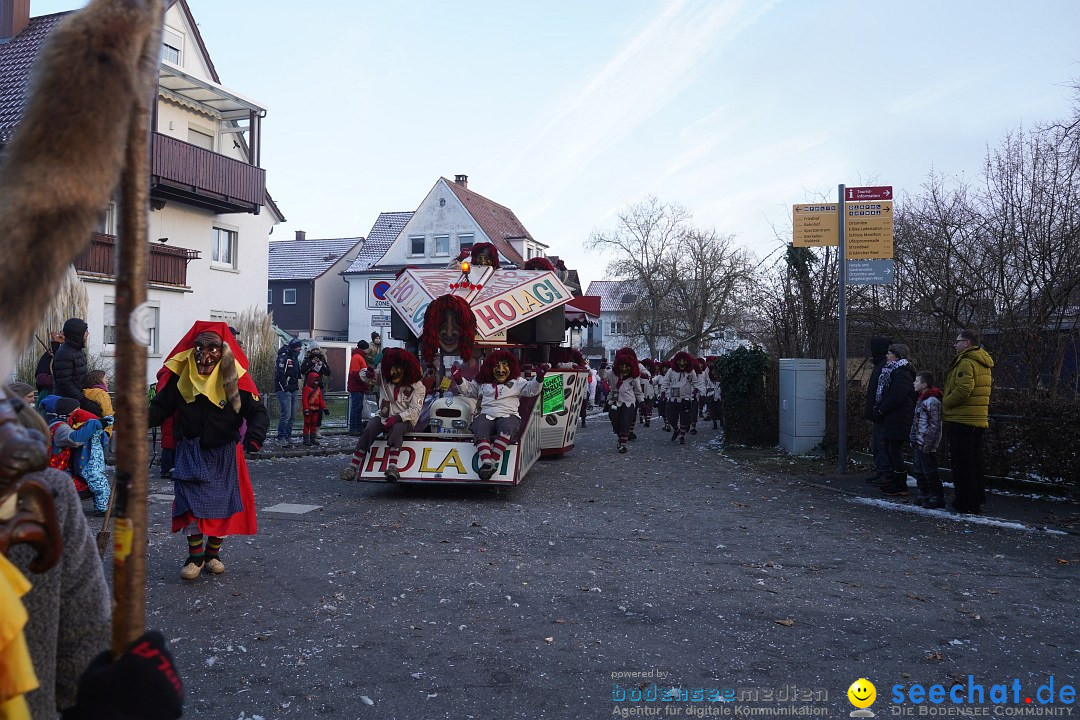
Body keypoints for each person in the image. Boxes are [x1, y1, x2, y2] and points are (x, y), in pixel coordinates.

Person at [148, 321, 269, 581]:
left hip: (223, 452)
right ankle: (195, 557)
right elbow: (160, 407)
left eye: (213, 347)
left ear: (223, 351)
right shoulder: (183, 378)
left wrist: (255, 437)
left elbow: (256, 411)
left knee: (220, 507)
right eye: (200, 347)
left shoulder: (233, 379)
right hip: (190, 449)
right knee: (189, 504)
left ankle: (212, 554)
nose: (205, 353)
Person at [452, 350, 544, 479]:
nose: (501, 370)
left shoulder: (517, 381)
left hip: (508, 414)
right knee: (479, 427)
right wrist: (459, 379)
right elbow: (470, 391)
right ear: (490, 366)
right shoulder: (482, 381)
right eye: (497, 365)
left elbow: (531, 390)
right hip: (487, 414)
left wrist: (539, 378)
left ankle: (491, 463)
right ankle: (487, 462)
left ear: (511, 366)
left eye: (504, 365)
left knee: (507, 428)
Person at [341, 348, 425, 482]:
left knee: (397, 430)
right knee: (370, 427)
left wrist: (397, 418)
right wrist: (367, 373)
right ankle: (352, 467)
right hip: (384, 416)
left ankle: (392, 467)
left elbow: (415, 410)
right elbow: (367, 376)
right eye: (391, 369)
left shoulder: (418, 386)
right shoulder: (384, 377)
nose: (393, 373)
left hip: (405, 420)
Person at [943, 328, 994, 514]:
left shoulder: (966, 362)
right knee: (975, 462)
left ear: (966, 343)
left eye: (957, 341)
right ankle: (977, 498)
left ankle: (965, 502)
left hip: (962, 418)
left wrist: (946, 403)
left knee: (962, 463)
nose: (954, 344)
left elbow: (964, 389)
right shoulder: (983, 361)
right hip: (977, 418)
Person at [872, 343, 917, 497]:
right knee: (891, 449)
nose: (887, 356)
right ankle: (895, 482)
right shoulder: (894, 371)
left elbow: (897, 396)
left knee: (894, 450)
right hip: (893, 416)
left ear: (897, 356)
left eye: (889, 353)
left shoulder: (902, 372)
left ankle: (900, 484)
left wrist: (882, 409)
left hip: (898, 417)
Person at [51, 318, 103, 417]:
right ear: (78, 334)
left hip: (78, 401)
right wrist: (84, 401)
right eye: (85, 331)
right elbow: (65, 383)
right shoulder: (65, 353)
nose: (88, 334)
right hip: (68, 406)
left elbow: (80, 378)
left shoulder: (78, 351)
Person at [910, 370, 944, 508]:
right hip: (919, 441)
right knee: (919, 468)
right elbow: (916, 422)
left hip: (926, 442)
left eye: (917, 381)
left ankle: (936, 496)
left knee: (929, 469)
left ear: (924, 384)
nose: (914, 383)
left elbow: (934, 425)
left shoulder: (932, 401)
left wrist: (928, 443)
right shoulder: (921, 399)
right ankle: (923, 493)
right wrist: (913, 437)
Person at [67, 405, 110, 514]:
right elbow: (105, 440)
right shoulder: (93, 426)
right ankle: (101, 509)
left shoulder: (79, 431)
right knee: (101, 486)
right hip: (92, 464)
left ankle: (100, 507)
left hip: (84, 463)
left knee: (97, 485)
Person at [863, 336, 893, 485]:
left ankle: (884, 472)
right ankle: (881, 471)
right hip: (878, 412)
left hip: (880, 413)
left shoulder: (883, 366)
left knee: (882, 444)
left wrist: (879, 410)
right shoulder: (881, 365)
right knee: (878, 444)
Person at [604, 350, 643, 453]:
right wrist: (602, 367)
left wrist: (642, 402)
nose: (624, 369)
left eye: (627, 366)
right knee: (615, 422)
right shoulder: (612, 374)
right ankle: (620, 437)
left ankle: (623, 444)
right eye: (622, 366)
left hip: (628, 402)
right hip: (614, 402)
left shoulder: (634, 377)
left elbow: (638, 391)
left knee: (626, 422)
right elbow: (602, 377)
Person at [661, 352, 702, 445]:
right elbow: (666, 382)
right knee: (670, 416)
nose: (682, 363)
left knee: (685, 418)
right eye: (680, 360)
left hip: (686, 397)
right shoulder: (671, 371)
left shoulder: (691, 371)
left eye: (684, 361)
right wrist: (663, 392)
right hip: (673, 397)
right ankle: (676, 429)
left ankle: (682, 436)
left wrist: (695, 390)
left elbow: (695, 382)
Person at [273, 339, 302, 446]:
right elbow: (279, 375)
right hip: (284, 390)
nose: (300, 349)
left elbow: (296, 374)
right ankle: (281, 437)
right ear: (294, 347)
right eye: (298, 347)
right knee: (286, 414)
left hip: (293, 389)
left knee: (292, 415)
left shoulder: (294, 358)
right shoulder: (283, 357)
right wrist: (285, 388)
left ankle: (287, 436)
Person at [81, 370, 114, 439]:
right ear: (99, 379)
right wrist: (108, 432)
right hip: (101, 430)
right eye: (106, 378)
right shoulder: (102, 394)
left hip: (86, 428)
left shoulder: (84, 392)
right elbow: (107, 414)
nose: (107, 380)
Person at [347, 340, 371, 435]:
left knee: (358, 407)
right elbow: (357, 374)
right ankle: (354, 428)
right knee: (356, 407)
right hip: (357, 386)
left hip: (358, 386)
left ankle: (357, 427)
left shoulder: (358, 356)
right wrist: (365, 384)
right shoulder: (357, 357)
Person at [33, 331, 63, 404]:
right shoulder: (50, 355)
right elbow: (41, 379)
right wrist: (63, 379)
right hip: (50, 396)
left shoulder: (77, 353)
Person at [301, 371, 327, 447]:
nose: (316, 382)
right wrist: (305, 409)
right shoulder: (306, 388)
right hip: (308, 410)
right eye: (315, 380)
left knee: (314, 425)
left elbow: (320, 400)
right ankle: (306, 440)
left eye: (317, 380)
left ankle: (312, 439)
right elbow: (304, 399)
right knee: (307, 424)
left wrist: (324, 408)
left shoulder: (318, 389)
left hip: (316, 410)